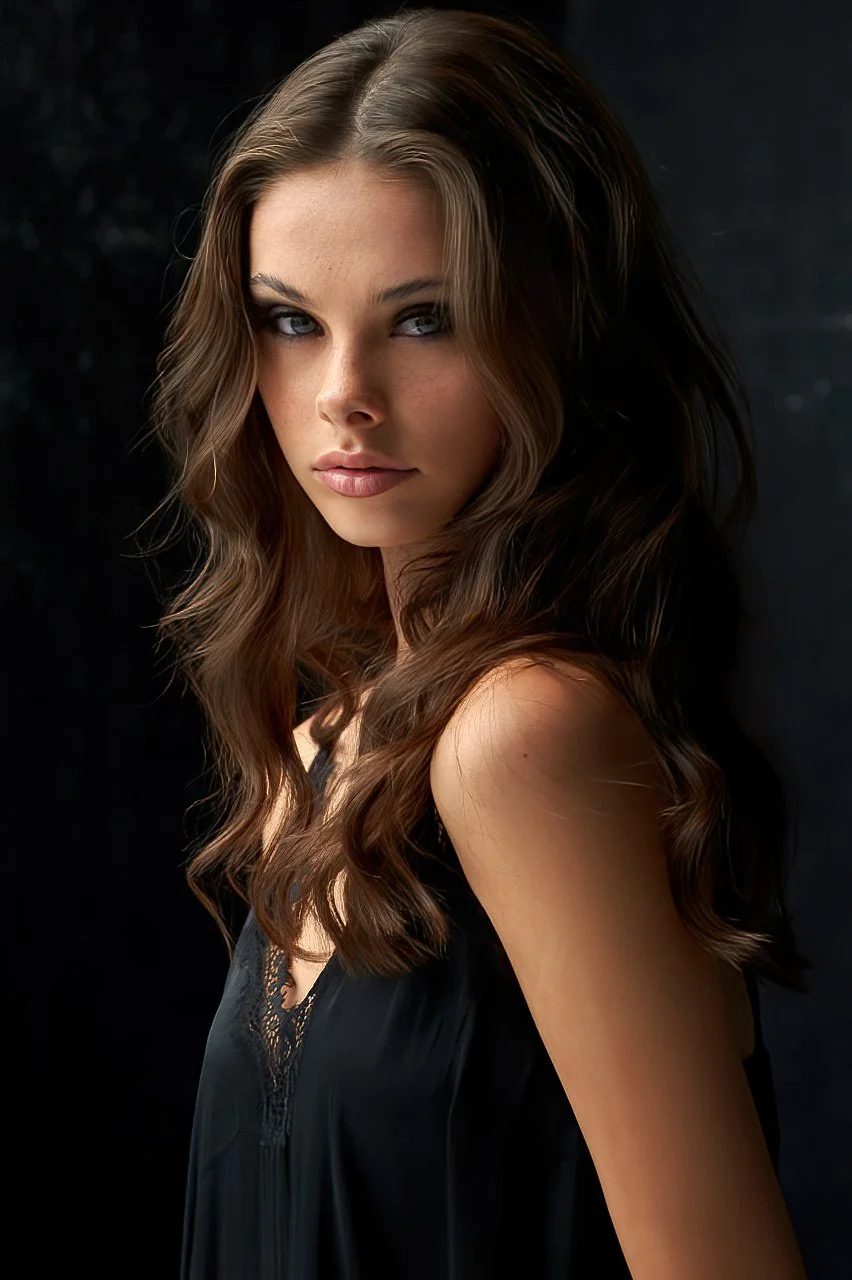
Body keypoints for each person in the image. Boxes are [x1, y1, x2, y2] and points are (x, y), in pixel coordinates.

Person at [147, 8, 812, 1277]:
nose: (343, 392)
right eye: (290, 319)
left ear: (558, 328)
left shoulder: (524, 734)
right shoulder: (322, 747)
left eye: (424, 319)